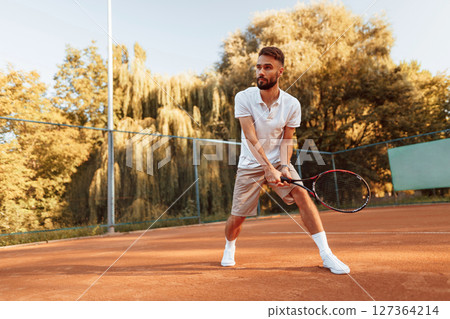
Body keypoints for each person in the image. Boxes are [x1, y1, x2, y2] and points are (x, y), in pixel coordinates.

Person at [220, 46, 350, 275]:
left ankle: (326, 255)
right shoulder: (243, 97)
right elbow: (250, 136)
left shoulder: (292, 104)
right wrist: (268, 169)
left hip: (278, 162)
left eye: (267, 67)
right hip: (249, 164)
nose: (261, 71)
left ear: (280, 72)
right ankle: (230, 246)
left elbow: (287, 141)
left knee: (302, 194)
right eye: (259, 66)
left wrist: (283, 166)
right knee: (237, 218)